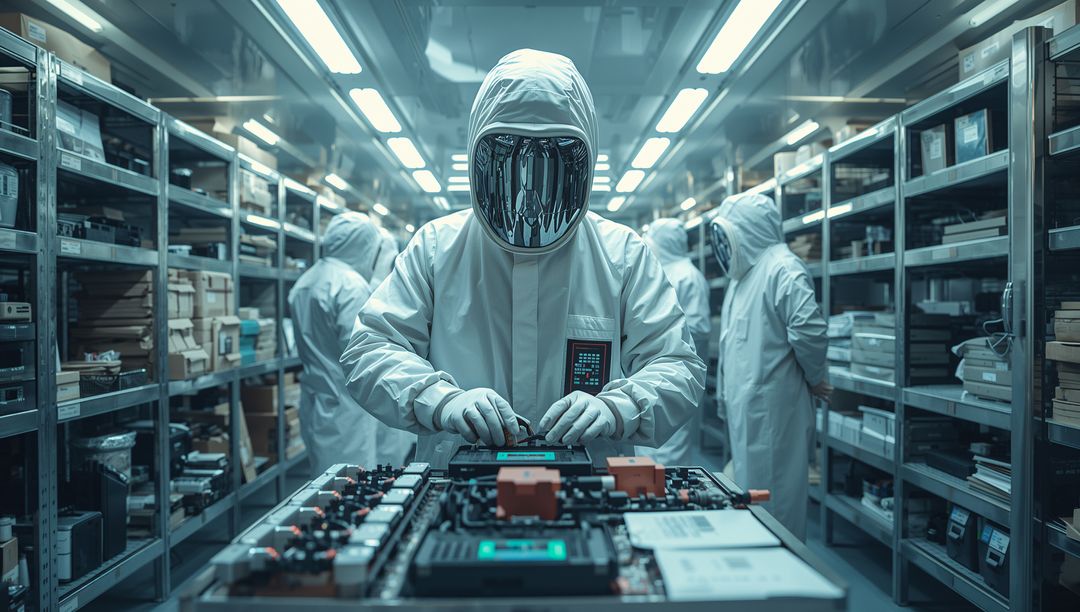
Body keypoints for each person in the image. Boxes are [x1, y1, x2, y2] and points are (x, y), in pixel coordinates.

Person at [341, 48, 705, 468]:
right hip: (459, 483)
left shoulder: (621, 253)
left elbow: (678, 365)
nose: (529, 198)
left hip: (588, 487)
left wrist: (617, 408)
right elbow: (368, 349)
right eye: (509, 163)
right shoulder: (437, 247)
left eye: (551, 165)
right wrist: (443, 401)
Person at [710, 192, 830, 540]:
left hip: (776, 411)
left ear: (748, 229)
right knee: (753, 495)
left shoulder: (783, 267)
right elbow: (731, 343)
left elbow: (809, 331)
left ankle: (784, 575)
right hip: (749, 409)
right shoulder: (744, 275)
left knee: (777, 500)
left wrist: (816, 376)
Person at [288, 211, 385, 476]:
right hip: (346, 408)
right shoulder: (351, 286)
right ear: (363, 246)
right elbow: (360, 351)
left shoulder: (305, 281)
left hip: (316, 400)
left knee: (323, 481)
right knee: (351, 486)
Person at [635, 218, 711, 466]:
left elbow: (699, 328)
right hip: (650, 367)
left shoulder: (689, 276)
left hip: (677, 373)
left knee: (671, 447)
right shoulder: (660, 269)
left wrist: (666, 333)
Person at [369, 227, 417, 465]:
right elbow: (372, 347)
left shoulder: (307, 283)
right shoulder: (356, 289)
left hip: (327, 396)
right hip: (364, 396)